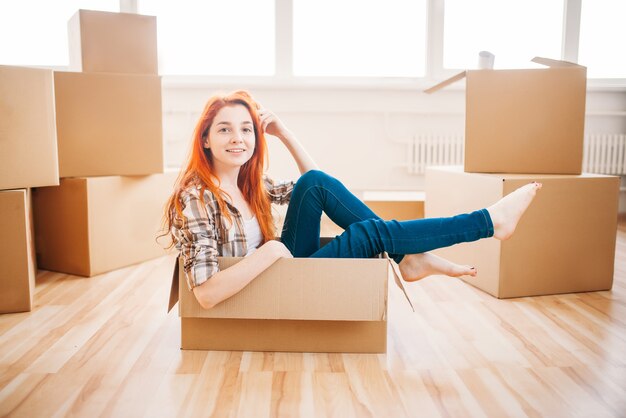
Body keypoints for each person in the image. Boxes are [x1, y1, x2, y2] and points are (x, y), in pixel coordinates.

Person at [162, 90, 542, 309]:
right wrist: (271, 252)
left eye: (246, 129)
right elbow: (207, 294)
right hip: (260, 289)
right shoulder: (196, 197)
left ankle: (409, 257)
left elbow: (321, 184)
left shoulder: (249, 182)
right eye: (224, 129)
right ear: (206, 139)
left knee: (314, 182)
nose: (238, 138)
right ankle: (485, 224)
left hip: (277, 271)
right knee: (368, 236)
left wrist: (284, 133)